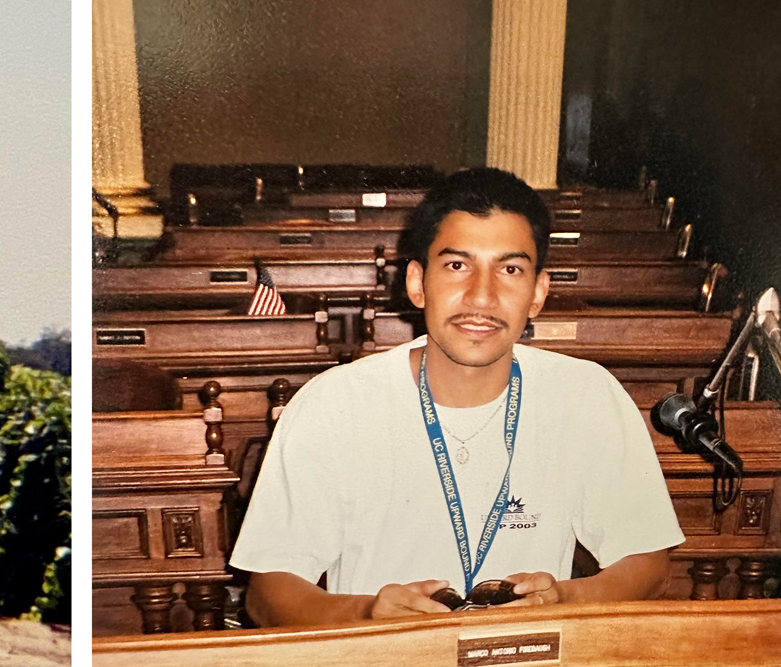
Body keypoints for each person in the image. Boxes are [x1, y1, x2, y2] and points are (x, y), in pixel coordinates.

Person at [230, 168, 685, 626]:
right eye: (456, 265)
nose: (482, 296)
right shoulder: (334, 405)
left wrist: (568, 601)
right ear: (416, 282)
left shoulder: (588, 396)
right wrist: (366, 612)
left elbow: (648, 563)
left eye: (510, 269)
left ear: (538, 293)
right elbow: (268, 593)